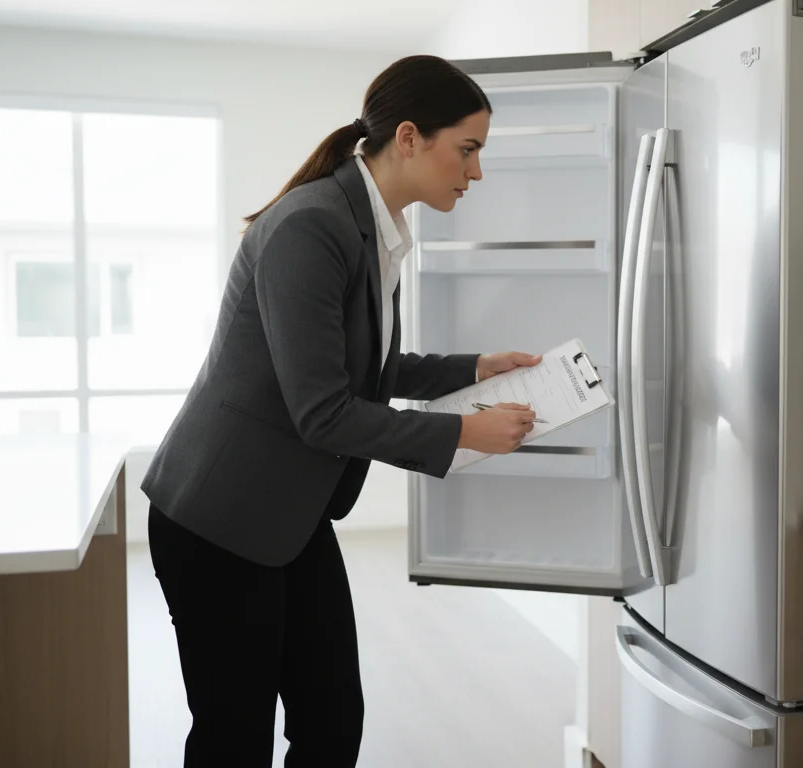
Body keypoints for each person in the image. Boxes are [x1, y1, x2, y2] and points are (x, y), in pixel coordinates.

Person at [140, 54, 539, 767]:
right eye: (468, 149)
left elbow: (363, 367)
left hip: (286, 515)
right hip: (218, 518)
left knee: (331, 721)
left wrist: (477, 368)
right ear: (410, 137)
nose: (475, 172)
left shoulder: (372, 227)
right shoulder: (311, 226)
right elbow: (322, 412)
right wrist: (461, 433)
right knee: (233, 736)